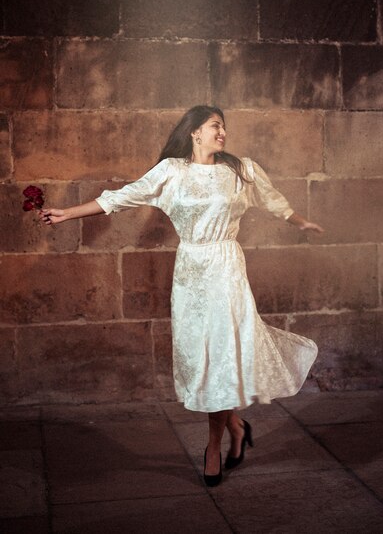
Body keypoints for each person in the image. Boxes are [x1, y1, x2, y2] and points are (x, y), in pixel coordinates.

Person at [39, 105, 324, 487]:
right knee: (203, 359)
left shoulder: (240, 170)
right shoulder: (172, 171)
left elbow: (271, 200)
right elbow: (122, 197)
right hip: (191, 272)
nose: (222, 133)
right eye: (215, 126)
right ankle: (237, 429)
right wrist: (66, 214)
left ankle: (212, 447)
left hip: (225, 268)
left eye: (223, 127)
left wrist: (299, 220)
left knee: (223, 356)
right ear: (194, 132)